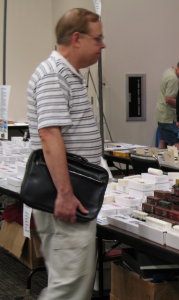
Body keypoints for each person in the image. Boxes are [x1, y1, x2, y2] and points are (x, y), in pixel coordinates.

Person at [26, 8, 106, 299]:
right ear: (76, 38)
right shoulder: (54, 75)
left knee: (72, 281)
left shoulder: (66, 75)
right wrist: (64, 193)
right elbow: (50, 135)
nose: (103, 45)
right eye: (97, 39)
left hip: (73, 192)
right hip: (67, 196)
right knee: (69, 288)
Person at [156, 59, 179, 148]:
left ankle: (159, 161)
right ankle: (176, 162)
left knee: (163, 140)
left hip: (162, 115)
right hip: (169, 117)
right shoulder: (173, 78)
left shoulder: (168, 71)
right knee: (177, 142)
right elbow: (169, 99)